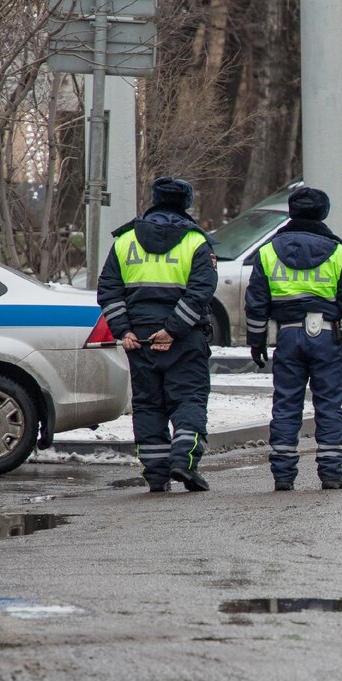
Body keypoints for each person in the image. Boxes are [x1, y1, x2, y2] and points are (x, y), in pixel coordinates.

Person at [244, 186, 342, 491]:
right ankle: (330, 472)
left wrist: (257, 339)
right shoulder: (339, 253)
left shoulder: (267, 252)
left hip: (287, 336)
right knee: (329, 404)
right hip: (326, 338)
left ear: (291, 212)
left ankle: (283, 475)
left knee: (286, 404)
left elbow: (256, 302)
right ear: (324, 213)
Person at [97, 176, 218, 492]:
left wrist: (124, 330)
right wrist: (173, 330)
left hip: (139, 340)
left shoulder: (125, 241)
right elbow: (201, 292)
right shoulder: (195, 243)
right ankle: (183, 459)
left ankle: (155, 474)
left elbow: (108, 290)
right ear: (186, 203)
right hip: (184, 339)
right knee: (189, 397)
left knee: (148, 404)